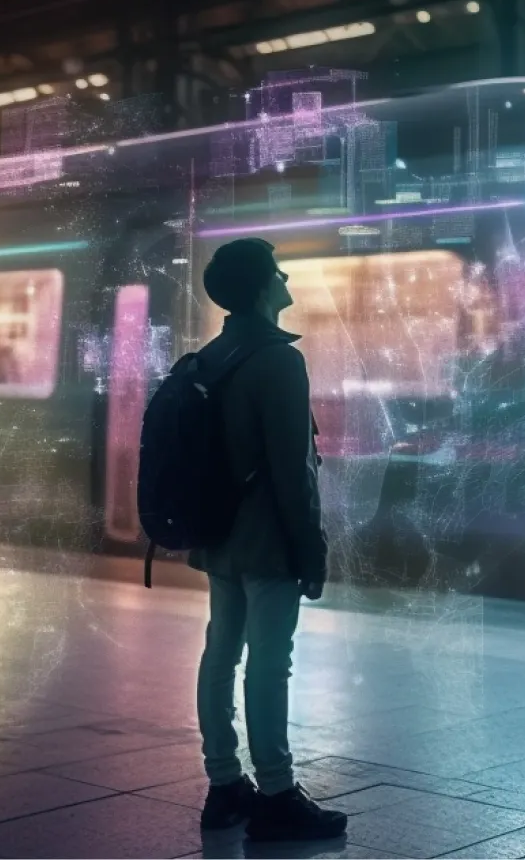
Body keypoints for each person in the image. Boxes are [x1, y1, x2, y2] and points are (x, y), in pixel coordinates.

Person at [192, 238, 347, 842]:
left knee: (221, 652)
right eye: (277, 271)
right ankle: (278, 793)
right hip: (266, 541)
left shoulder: (215, 353)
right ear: (263, 288)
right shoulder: (279, 360)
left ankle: (225, 784)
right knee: (269, 663)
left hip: (220, 538)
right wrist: (311, 550)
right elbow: (292, 469)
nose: (286, 277)